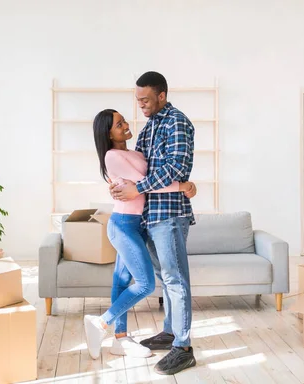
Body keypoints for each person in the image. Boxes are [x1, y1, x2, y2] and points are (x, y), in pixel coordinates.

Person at [83, 108, 197, 361]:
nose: (124, 125)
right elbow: (147, 182)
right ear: (108, 133)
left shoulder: (132, 151)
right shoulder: (112, 156)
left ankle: (120, 339)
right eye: (118, 124)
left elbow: (146, 181)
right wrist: (184, 186)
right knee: (145, 283)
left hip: (139, 223)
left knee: (121, 281)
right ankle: (102, 323)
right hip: (123, 223)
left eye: (123, 120)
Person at [110, 71, 197, 375]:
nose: (141, 105)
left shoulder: (177, 122)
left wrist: (139, 188)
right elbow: (138, 169)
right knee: (165, 277)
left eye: (146, 99)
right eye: (138, 100)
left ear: (162, 95)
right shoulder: (149, 127)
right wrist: (120, 184)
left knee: (175, 278)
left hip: (170, 214)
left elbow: (175, 168)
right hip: (149, 215)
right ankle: (170, 332)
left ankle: (184, 347)